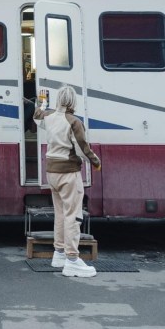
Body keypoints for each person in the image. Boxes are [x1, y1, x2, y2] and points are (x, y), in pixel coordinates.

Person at [34, 85, 101, 278]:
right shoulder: (74, 122)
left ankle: (59, 253)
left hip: (52, 173)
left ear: (58, 100)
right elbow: (82, 148)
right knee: (73, 215)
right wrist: (96, 162)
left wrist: (42, 103)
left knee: (61, 214)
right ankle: (72, 260)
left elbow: (37, 117)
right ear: (73, 101)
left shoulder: (49, 117)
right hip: (69, 174)